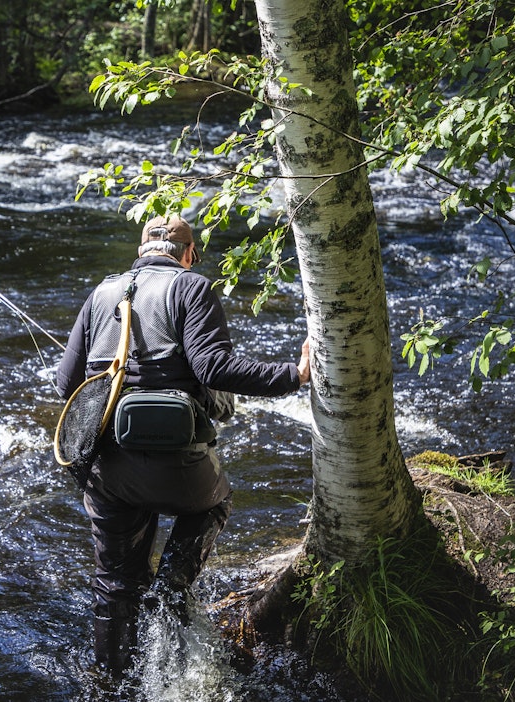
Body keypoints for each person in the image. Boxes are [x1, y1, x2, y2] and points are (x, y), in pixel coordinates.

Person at [55, 215, 310, 676]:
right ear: (188, 254)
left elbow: (65, 384)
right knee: (215, 503)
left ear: (140, 249)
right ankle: (171, 591)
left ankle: (112, 683)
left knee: (115, 584)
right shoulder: (191, 287)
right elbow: (214, 367)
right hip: (180, 470)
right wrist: (294, 375)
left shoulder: (101, 293)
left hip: (107, 469)